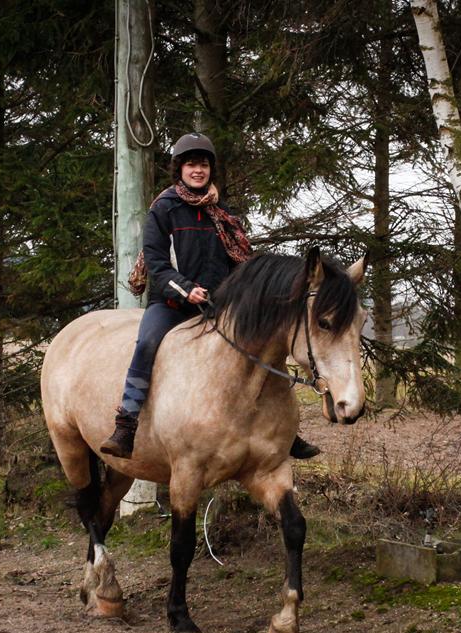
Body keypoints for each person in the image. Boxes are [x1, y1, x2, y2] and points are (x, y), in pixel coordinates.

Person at [99, 131, 321, 461]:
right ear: (180, 169)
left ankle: (285, 433)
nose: (198, 170)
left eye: (203, 165)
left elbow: (239, 263)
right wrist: (186, 288)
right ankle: (126, 423)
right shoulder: (164, 209)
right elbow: (157, 263)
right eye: (191, 165)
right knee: (145, 345)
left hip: (218, 306)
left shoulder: (223, 212)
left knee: (262, 347)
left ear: (210, 170)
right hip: (171, 303)